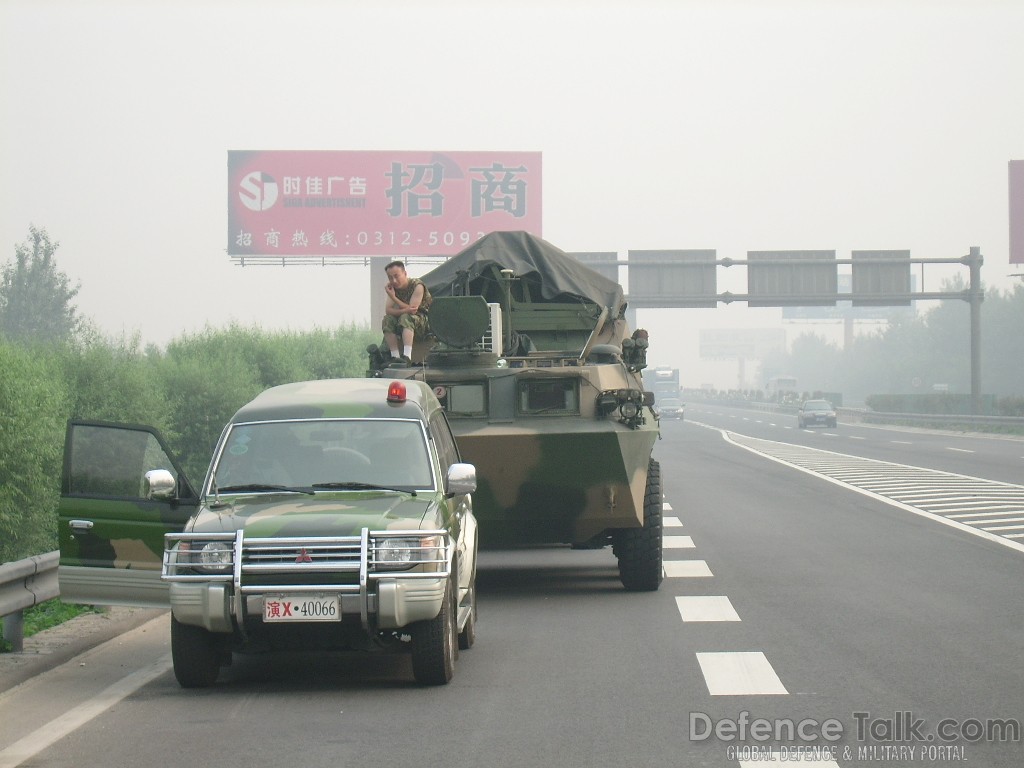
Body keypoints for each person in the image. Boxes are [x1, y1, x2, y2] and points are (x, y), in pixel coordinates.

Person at [382, 260, 432, 365]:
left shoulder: (417, 285)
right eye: (390, 278)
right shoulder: (393, 288)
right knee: (387, 320)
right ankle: (395, 357)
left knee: (406, 317)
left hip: (424, 322)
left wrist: (393, 297)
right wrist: (404, 308)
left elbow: (413, 310)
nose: (394, 280)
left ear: (405, 274)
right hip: (405, 321)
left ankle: (407, 356)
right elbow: (388, 310)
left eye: (397, 276)